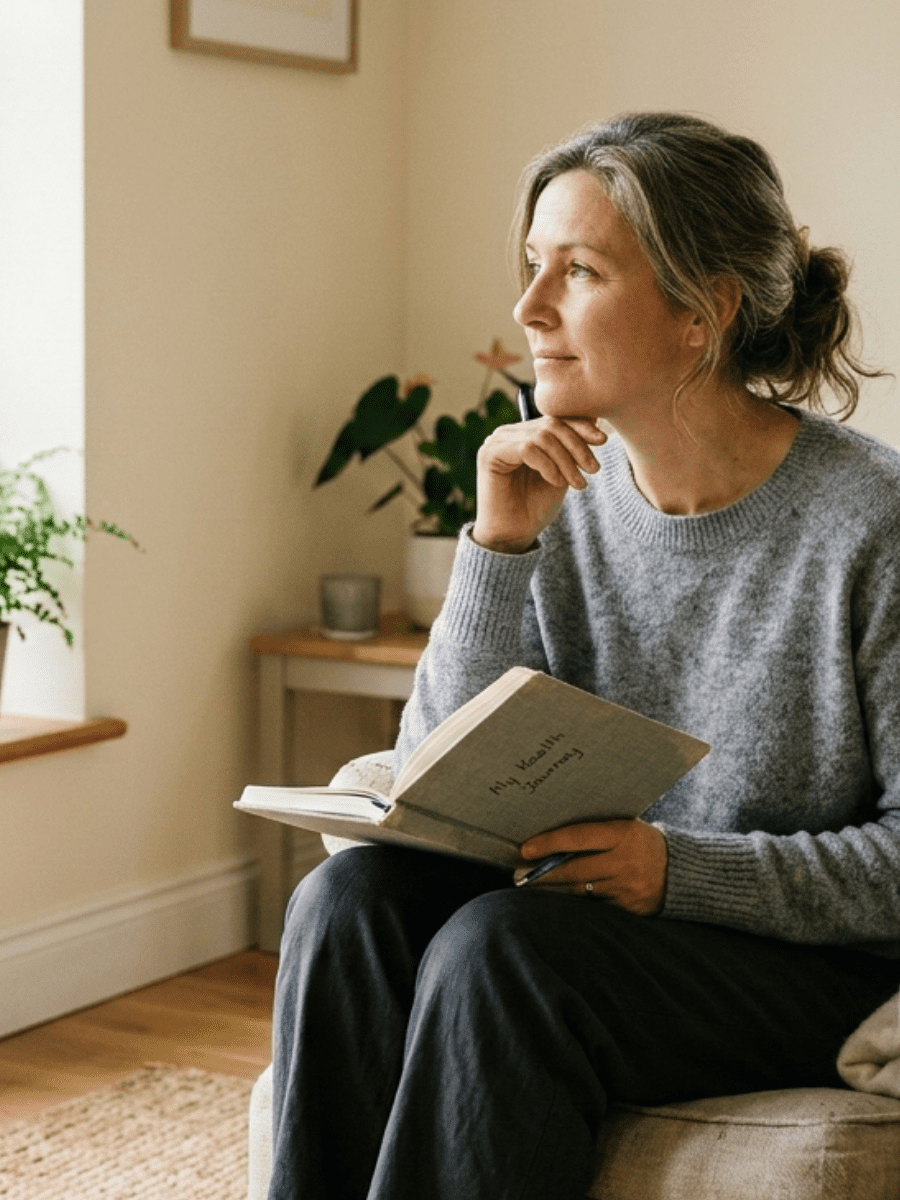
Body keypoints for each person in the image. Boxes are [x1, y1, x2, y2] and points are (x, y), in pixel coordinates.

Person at [268, 112, 900, 1200]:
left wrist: (678, 872)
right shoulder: (563, 500)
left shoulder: (872, 523)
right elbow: (430, 793)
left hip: (813, 964)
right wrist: (499, 543)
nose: (528, 308)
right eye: (530, 267)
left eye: (580, 270)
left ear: (702, 315)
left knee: (503, 951)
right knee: (349, 905)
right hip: (605, 925)